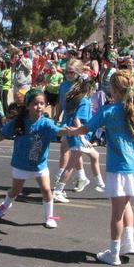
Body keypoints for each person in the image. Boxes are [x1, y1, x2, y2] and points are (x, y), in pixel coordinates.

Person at [66, 70, 134, 265]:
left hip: (119, 168)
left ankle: (113, 254)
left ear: (113, 90)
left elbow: (86, 128)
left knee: (116, 213)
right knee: (126, 203)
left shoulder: (109, 111)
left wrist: (71, 131)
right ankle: (129, 242)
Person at [0, 89, 66, 228]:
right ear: (28, 105)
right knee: (15, 191)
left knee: (47, 190)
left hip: (39, 165)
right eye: (35, 103)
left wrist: (75, 131)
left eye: (42, 103)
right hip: (21, 163)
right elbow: (4, 133)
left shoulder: (46, 123)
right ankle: (4, 206)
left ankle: (49, 217)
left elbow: (59, 131)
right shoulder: (19, 121)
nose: (39, 106)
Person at [53, 75, 105, 203]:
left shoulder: (77, 98)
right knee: (70, 166)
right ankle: (58, 191)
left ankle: (100, 184)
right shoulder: (84, 101)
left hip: (76, 135)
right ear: (90, 89)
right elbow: (77, 119)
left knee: (95, 156)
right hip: (78, 136)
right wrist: (82, 138)